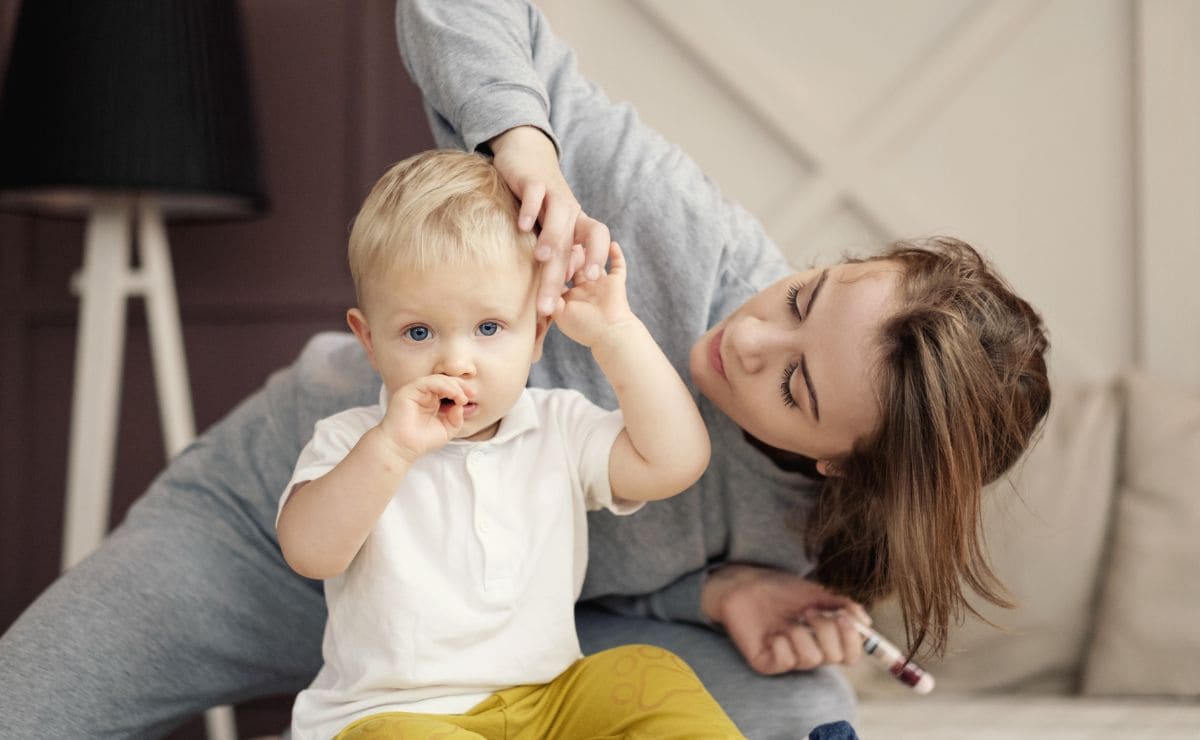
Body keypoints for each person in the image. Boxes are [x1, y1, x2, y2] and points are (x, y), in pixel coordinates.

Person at [0, 1, 1048, 738]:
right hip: (274, 534)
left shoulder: (811, 538)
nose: (750, 335)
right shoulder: (683, 237)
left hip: (505, 646)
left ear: (838, 467)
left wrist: (721, 591)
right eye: (806, 292)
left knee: (799, 703)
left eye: (796, 388)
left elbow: (637, 559)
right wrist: (529, 141)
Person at [278, 148, 736, 739]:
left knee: (650, 672)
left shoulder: (559, 428)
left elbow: (676, 461)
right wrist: (390, 449)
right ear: (370, 342)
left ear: (537, 332)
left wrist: (616, 335)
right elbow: (310, 552)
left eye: (489, 328)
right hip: (395, 716)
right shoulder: (351, 442)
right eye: (418, 332)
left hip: (549, 704)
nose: (456, 361)